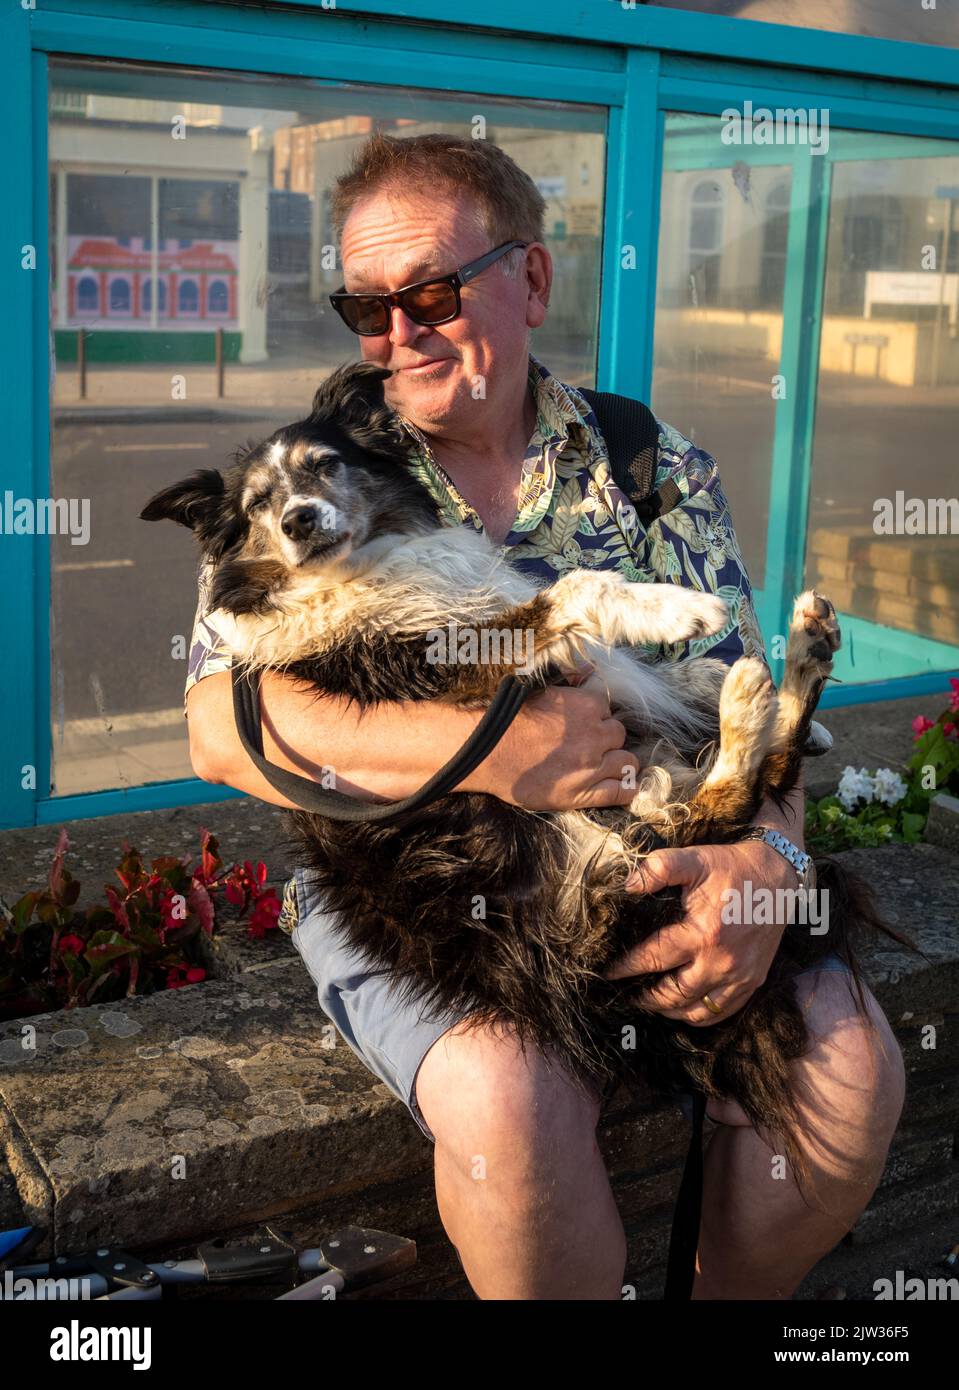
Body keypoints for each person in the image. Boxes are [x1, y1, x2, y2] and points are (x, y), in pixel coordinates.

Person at [184, 133, 904, 1300]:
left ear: (529, 280)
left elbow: (737, 687)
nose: (396, 335)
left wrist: (766, 865)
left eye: (427, 291)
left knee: (852, 1063)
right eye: (363, 307)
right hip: (415, 872)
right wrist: (496, 751)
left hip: (655, 816)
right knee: (506, 1101)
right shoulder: (317, 469)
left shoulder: (644, 462)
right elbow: (220, 728)